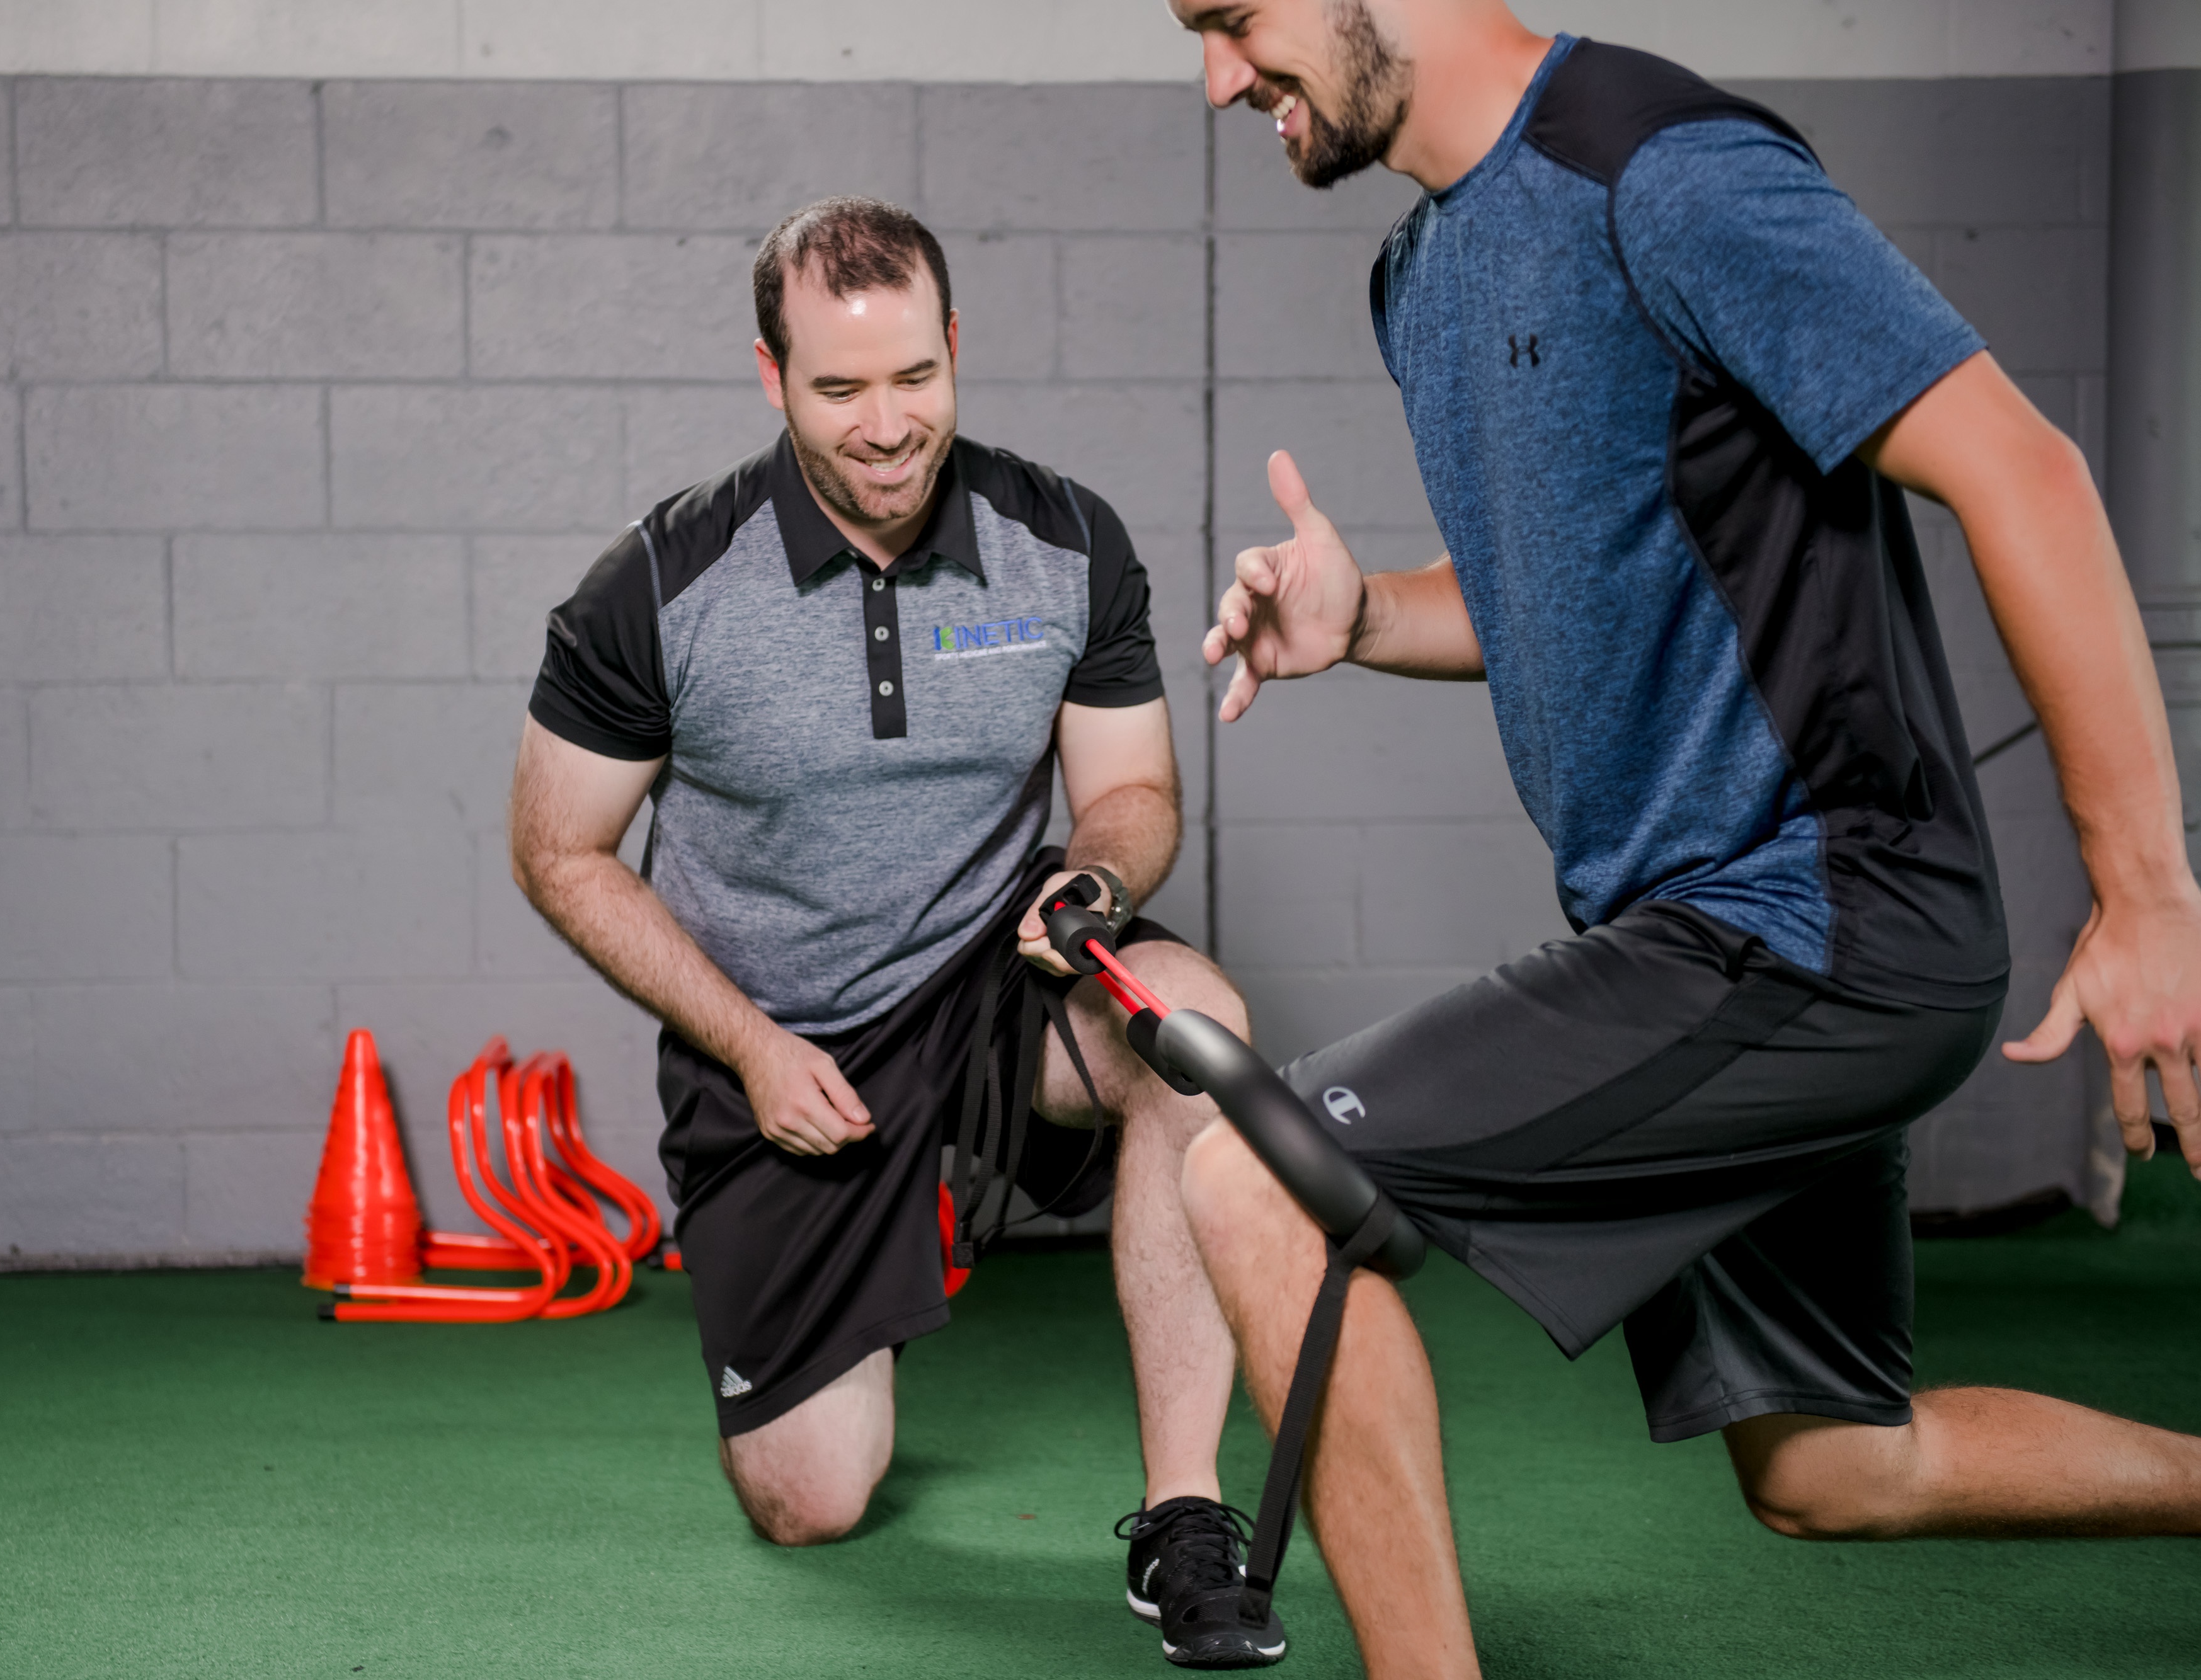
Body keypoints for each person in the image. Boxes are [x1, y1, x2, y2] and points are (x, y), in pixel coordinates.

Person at [1169, 1, 2201, 1672]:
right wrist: (1362, 614)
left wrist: (2148, 887)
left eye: (1231, 15)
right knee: (1838, 1463)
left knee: (1257, 1176)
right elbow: (1569, 597)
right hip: (1700, 941)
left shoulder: (1664, 174)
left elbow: (2028, 468)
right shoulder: (1420, 275)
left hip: (1827, 907)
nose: (1217, 76)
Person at [512, 196, 1293, 1667]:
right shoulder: (664, 583)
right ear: (770, 376)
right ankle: (870, 1247)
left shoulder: (1060, 540)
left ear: (953, 348)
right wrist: (744, 1045)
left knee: (1193, 1029)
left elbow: (1128, 788)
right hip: (776, 1034)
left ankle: (1184, 1516)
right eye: (839, 388)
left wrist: (1097, 885)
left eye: (914, 378)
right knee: (810, 1497)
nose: (886, 425)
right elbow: (557, 849)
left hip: (990, 976)